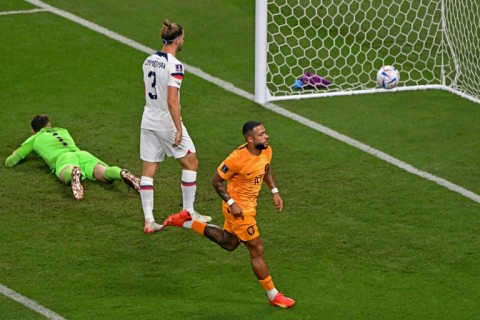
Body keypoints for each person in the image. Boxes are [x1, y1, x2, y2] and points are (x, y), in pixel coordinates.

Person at [162, 121, 295, 308]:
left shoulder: (266, 150)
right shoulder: (236, 158)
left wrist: (274, 191)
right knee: (256, 250)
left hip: (249, 207)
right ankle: (273, 295)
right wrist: (232, 203)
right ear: (250, 139)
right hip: (239, 211)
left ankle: (188, 222)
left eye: (265, 133)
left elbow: (266, 169)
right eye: (261, 134)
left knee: (230, 243)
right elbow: (216, 181)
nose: (266, 136)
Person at [139, 19, 211, 235]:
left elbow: (147, 90)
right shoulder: (175, 66)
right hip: (166, 121)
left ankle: (149, 220)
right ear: (178, 39)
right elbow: (172, 100)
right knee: (191, 162)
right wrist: (178, 128)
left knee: (148, 169)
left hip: (148, 118)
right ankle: (188, 212)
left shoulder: (148, 60)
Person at [4, 114, 141, 200]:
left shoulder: (34, 138)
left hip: (62, 158)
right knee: (104, 172)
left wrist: (17, 152)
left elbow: (10, 162)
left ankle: (74, 174)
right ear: (49, 125)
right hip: (82, 154)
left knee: (66, 172)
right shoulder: (63, 130)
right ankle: (120, 173)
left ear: (34, 131)